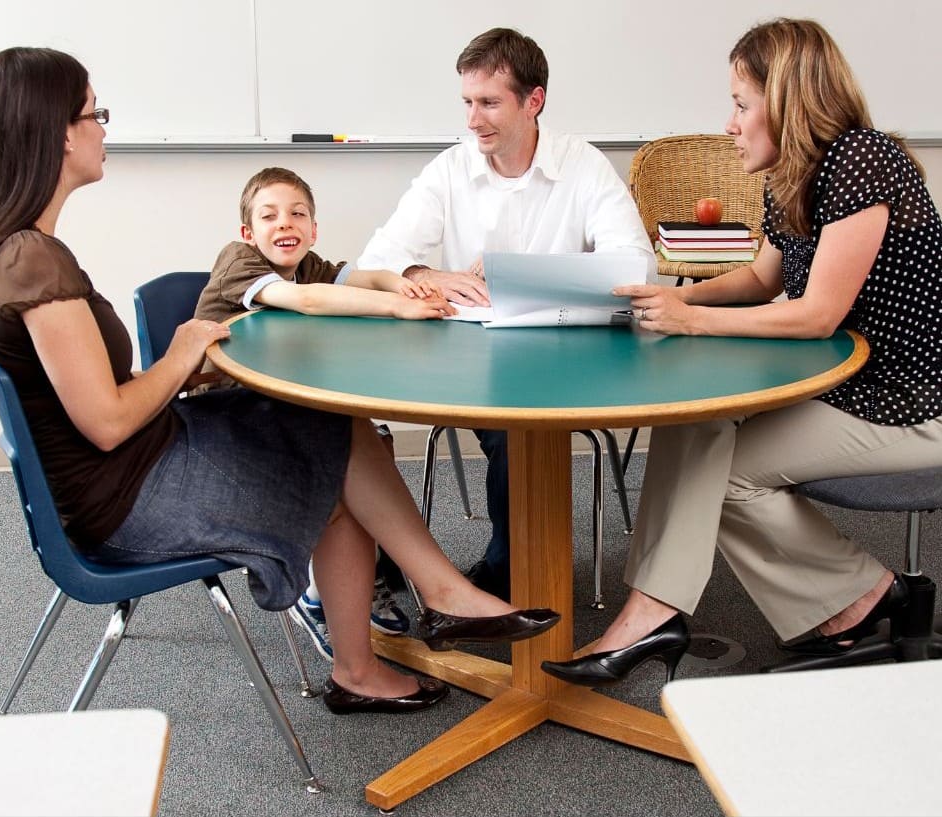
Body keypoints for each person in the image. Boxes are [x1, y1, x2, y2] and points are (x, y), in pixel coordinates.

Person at [0, 46, 560, 716]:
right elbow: (108, 421)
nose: (103, 128)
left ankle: (421, 609)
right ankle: (405, 625)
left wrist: (187, 364)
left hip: (130, 464)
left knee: (331, 423)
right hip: (124, 497)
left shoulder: (17, 253)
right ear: (59, 132)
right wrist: (183, 351)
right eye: (96, 114)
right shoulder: (32, 262)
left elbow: (93, 401)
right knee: (334, 456)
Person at [541, 17, 942, 688]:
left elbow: (817, 314)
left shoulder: (864, 160)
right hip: (850, 386)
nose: (729, 124)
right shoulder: (795, 174)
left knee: (720, 474)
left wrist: (691, 322)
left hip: (912, 402)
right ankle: (852, 599)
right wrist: (669, 301)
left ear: (786, 101)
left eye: (741, 104)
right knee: (694, 420)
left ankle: (859, 598)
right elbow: (761, 279)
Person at [357, 27, 654, 600]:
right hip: (475, 363)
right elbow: (377, 259)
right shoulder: (449, 169)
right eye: (467, 103)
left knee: (519, 426)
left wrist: (522, 275)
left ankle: (506, 578)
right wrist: (422, 273)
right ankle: (496, 572)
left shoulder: (583, 166)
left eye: (489, 103)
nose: (473, 120)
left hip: (571, 359)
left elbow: (636, 267)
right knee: (501, 427)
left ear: (533, 100)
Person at [194, 165, 455, 657]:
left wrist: (400, 285)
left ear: (313, 230)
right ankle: (319, 593)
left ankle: (353, 578)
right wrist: (394, 307)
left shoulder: (308, 263)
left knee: (371, 438)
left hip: (284, 405)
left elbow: (363, 276)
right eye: (269, 216)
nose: (284, 223)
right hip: (227, 421)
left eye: (297, 214)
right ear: (248, 233)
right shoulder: (238, 262)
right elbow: (309, 300)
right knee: (342, 450)